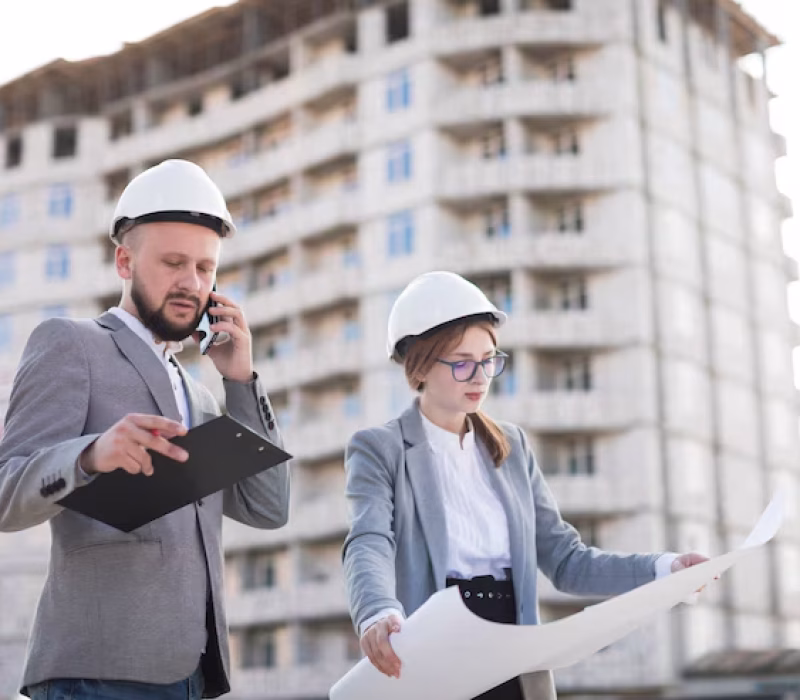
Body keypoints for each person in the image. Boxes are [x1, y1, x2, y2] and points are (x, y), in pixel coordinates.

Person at [342, 270, 708, 700]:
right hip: (434, 656)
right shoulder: (379, 448)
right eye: (462, 362)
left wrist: (665, 570)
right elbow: (368, 540)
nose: (480, 376)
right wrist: (377, 612)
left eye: (490, 360)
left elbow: (568, 561)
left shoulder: (510, 446)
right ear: (418, 366)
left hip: (513, 658)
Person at [0, 159, 291, 699]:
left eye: (205, 268)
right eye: (174, 262)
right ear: (124, 260)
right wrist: (88, 456)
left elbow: (269, 508)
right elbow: (5, 494)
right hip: (96, 673)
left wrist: (242, 382)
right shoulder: (72, 344)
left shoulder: (201, 396)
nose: (191, 283)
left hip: (193, 675)